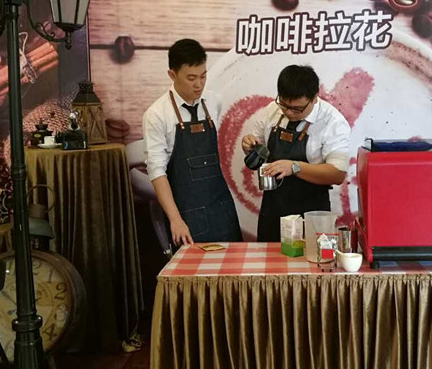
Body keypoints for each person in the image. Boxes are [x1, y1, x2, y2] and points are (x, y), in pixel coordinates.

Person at [143, 39, 242, 246]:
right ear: (172, 75)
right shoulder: (157, 114)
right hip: (185, 212)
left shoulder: (213, 102)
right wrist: (175, 219)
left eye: (203, 76)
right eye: (191, 78)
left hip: (221, 207)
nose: (199, 84)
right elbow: (157, 171)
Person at [242, 65, 351, 242]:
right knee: (269, 257)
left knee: (310, 257)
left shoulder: (333, 122)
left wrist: (294, 167)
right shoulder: (272, 110)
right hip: (273, 208)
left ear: (314, 98)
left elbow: (337, 174)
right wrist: (249, 145)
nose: (289, 112)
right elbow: (258, 145)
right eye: (284, 106)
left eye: (297, 109)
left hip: (311, 212)